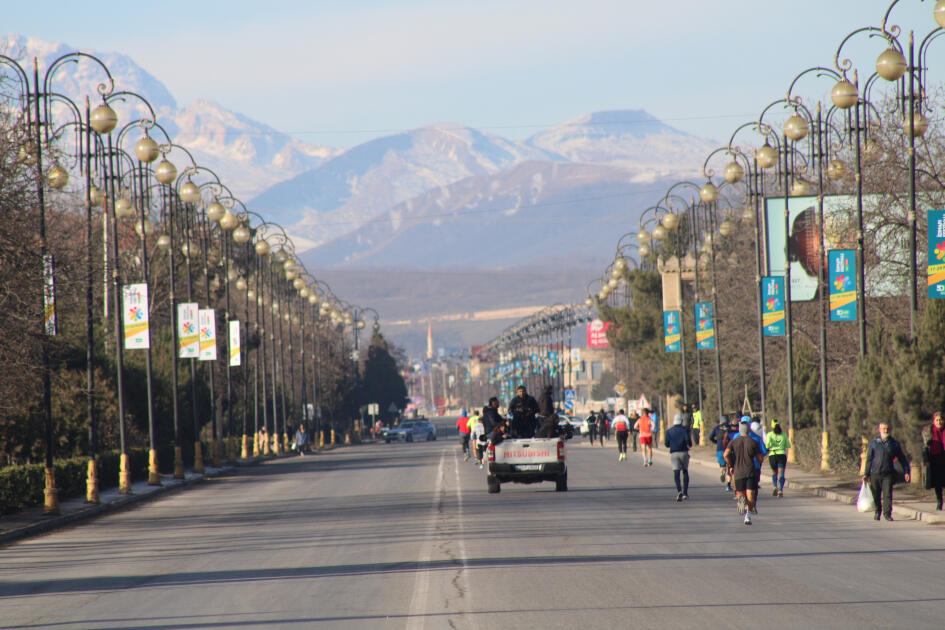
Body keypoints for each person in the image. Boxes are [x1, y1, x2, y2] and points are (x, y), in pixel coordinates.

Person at [863, 422, 911, 521]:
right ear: (879, 430)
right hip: (875, 473)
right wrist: (866, 474)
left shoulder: (894, 444)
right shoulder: (874, 443)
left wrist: (906, 471)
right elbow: (869, 459)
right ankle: (877, 511)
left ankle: (887, 514)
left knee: (887, 494)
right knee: (876, 494)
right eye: (884, 429)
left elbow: (902, 458)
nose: (886, 431)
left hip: (888, 473)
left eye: (887, 429)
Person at [724, 419, 765, 525]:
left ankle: (741, 500)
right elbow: (760, 458)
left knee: (741, 493)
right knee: (751, 496)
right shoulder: (753, 442)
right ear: (748, 430)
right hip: (750, 472)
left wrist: (731, 465)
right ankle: (748, 515)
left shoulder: (733, 441)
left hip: (738, 472)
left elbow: (726, 455)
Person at [665, 413, 693, 501]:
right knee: (685, 471)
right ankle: (685, 492)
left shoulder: (669, 431)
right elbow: (689, 441)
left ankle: (679, 491)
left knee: (676, 473)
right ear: (681, 421)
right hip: (684, 452)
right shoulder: (685, 430)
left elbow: (666, 444)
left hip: (674, 454)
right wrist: (688, 444)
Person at [923, 411, 945, 510]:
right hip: (935, 460)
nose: (939, 422)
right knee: (938, 483)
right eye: (937, 420)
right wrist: (926, 460)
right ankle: (939, 501)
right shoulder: (929, 432)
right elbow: (925, 448)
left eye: (941, 419)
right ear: (933, 421)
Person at [765, 420, 791, 498]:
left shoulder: (769, 434)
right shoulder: (784, 434)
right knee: (782, 473)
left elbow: (767, 445)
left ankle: (774, 486)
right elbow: (788, 445)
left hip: (773, 455)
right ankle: (780, 490)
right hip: (782, 455)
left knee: (774, 472)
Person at [710, 415, 732, 490]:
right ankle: (728, 485)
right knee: (729, 467)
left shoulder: (717, 428)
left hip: (719, 449)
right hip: (729, 449)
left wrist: (716, 442)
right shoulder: (730, 427)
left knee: (722, 465)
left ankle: (723, 471)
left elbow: (710, 437)